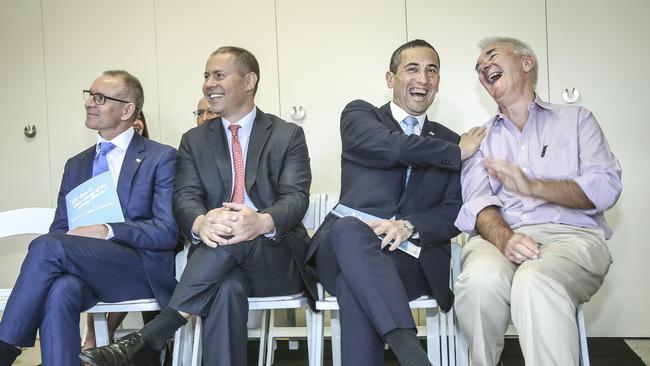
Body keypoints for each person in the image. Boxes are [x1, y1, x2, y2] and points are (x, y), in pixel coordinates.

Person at [81, 46, 316, 366]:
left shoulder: (287, 135)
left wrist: (259, 222)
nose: (209, 83)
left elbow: (295, 198)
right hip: (217, 263)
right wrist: (201, 222)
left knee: (230, 233)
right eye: (206, 76)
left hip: (273, 259)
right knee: (225, 289)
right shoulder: (194, 140)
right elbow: (185, 197)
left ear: (249, 81)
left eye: (219, 75)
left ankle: (154, 334)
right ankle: (147, 340)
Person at [305, 39, 484, 366]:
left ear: (438, 83)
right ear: (391, 78)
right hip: (339, 248)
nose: (423, 78)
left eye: (432, 71)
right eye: (412, 68)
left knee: (355, 285)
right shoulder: (360, 116)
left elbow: (452, 211)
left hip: (409, 258)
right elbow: (394, 149)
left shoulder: (448, 138)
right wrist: (455, 153)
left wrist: (409, 225)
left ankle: (408, 351)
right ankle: (412, 354)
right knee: (349, 229)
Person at [454, 37, 622, 366]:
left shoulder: (577, 120)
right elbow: (477, 202)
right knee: (479, 282)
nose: (482, 67)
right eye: (478, 67)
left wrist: (535, 187)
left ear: (526, 63)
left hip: (570, 238)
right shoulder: (480, 139)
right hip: (501, 237)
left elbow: (606, 187)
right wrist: (505, 239)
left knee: (534, 281)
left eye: (491, 56)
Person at [0, 70, 178, 365]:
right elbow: (60, 228)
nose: (89, 103)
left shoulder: (160, 157)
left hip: (137, 267)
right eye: (89, 95)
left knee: (46, 246)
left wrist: (107, 230)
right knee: (61, 289)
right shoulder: (76, 165)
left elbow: (165, 232)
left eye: (100, 98)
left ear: (127, 110)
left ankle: (5, 348)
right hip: (85, 268)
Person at [81, 109, 157, 355]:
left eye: (140, 122)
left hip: (144, 244)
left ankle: (95, 343)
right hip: (103, 244)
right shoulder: (91, 164)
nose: (135, 125)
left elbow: (162, 224)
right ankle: (91, 344)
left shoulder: (158, 157)